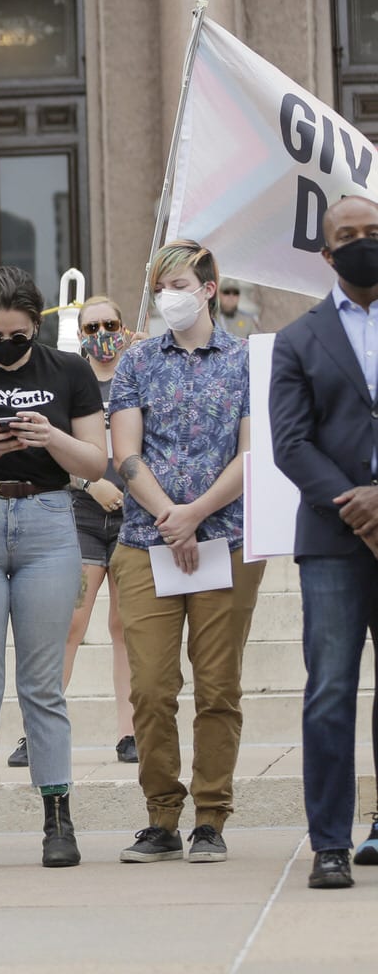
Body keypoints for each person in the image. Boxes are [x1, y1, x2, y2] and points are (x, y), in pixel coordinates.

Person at [0, 266, 106, 872]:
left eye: (18, 336)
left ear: (38, 326)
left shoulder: (69, 371)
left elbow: (96, 461)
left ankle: (57, 818)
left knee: (44, 684)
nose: (5, 347)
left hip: (49, 519)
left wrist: (48, 436)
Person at [110, 241, 264, 864]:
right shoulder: (137, 363)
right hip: (148, 544)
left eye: (178, 283)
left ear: (208, 287)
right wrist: (168, 517)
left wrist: (196, 515)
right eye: (159, 286)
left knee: (218, 686)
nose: (168, 296)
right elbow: (126, 454)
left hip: (226, 540)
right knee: (149, 686)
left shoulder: (247, 362)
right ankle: (161, 816)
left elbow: (251, 454)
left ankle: (211, 817)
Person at [269, 194, 378, 889]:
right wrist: (359, 506)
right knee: (331, 690)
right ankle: (330, 843)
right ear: (327, 253)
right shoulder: (299, 338)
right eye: (350, 236)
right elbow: (290, 443)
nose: (363, 242)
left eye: (374, 232)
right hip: (335, 540)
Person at [60, 296, 136, 767]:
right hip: (82, 512)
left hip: (133, 513)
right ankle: (38, 728)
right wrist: (91, 482)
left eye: (110, 323)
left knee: (125, 626)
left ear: (125, 329)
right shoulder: (69, 378)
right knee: (71, 621)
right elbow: (53, 449)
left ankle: (131, 732)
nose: (102, 333)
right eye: (92, 326)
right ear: (80, 333)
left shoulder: (138, 374)